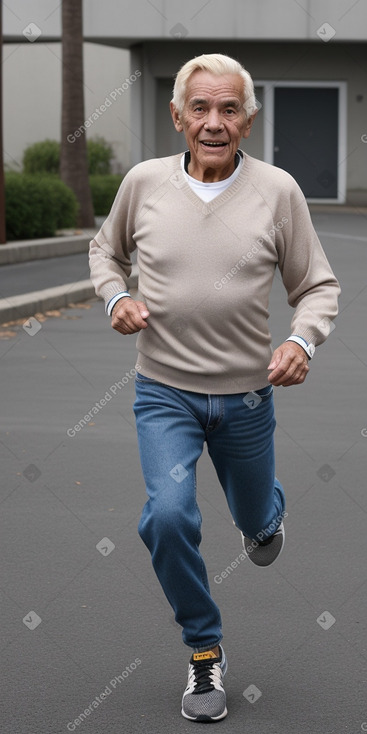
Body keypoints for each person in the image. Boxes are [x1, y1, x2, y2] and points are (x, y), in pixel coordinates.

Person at [89, 53, 340, 723]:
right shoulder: (143, 185)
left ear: (248, 120)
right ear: (176, 117)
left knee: (256, 524)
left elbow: (316, 284)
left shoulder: (277, 191)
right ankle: (204, 650)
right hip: (162, 392)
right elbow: (104, 252)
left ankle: (263, 519)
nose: (213, 121)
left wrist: (300, 339)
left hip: (247, 399)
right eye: (199, 108)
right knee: (168, 517)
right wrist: (115, 296)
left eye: (229, 108)